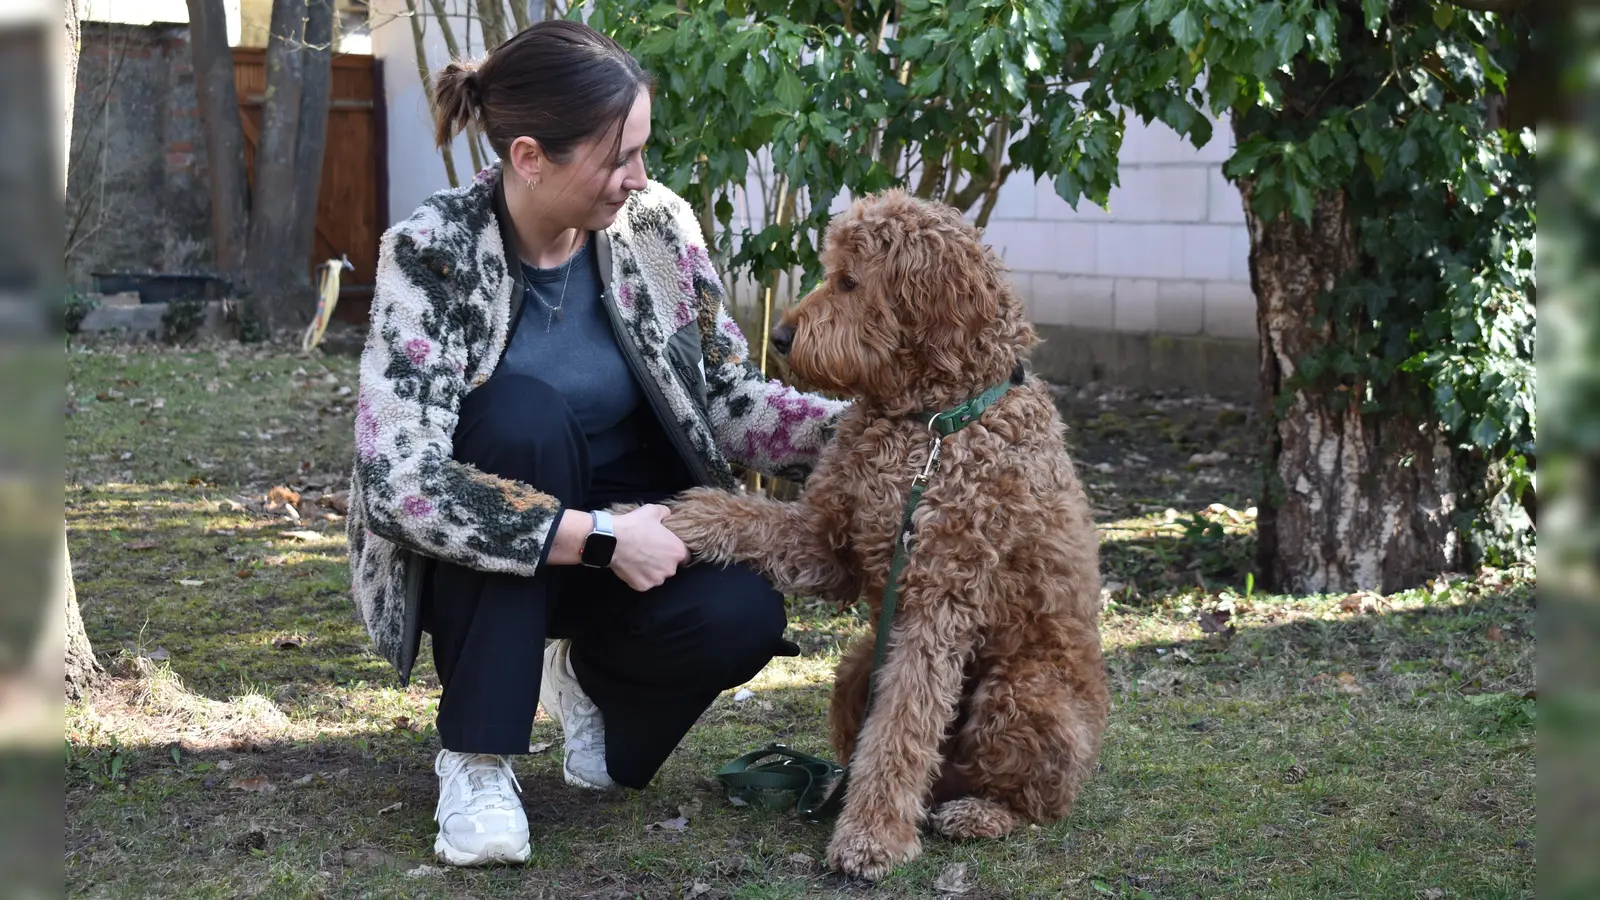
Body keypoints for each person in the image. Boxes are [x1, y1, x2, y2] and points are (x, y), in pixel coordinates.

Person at [344, 20, 847, 867]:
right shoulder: (434, 254)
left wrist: (864, 438)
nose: (638, 179)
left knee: (746, 615)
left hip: (629, 543)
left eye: (643, 152)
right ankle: (476, 758)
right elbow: (402, 482)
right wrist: (601, 537)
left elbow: (727, 396)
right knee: (521, 415)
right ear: (530, 157)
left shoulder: (657, 229)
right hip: (485, 562)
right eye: (619, 158)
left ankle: (588, 684)